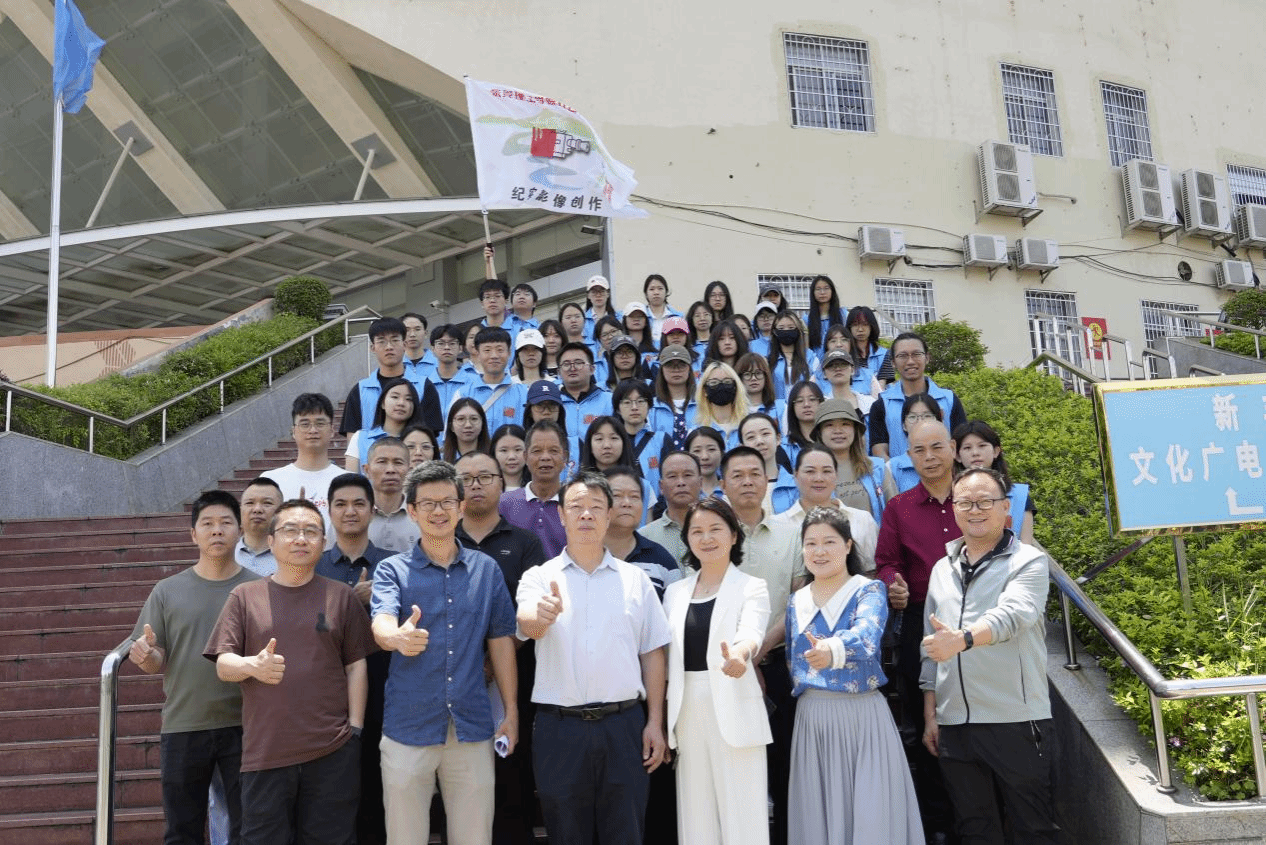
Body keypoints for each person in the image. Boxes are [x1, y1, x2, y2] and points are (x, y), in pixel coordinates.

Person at [205, 499, 374, 845]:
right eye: (290, 530)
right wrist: (252, 665)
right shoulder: (245, 596)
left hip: (332, 749)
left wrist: (355, 729)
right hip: (266, 752)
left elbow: (356, 665)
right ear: (271, 541)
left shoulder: (341, 596)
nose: (300, 539)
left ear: (323, 542)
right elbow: (223, 663)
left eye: (311, 531)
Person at [515, 471, 671, 845]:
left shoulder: (635, 580)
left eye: (596, 507)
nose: (586, 514)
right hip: (559, 729)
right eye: (576, 507)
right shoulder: (539, 577)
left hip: (624, 726)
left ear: (609, 515)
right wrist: (541, 616)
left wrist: (654, 721)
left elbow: (652, 652)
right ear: (561, 515)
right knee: (566, 833)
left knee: (626, 831)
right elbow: (526, 624)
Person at [370, 461, 519, 845]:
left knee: (474, 837)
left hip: (471, 727)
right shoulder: (392, 570)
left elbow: (501, 641)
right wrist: (396, 637)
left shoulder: (486, 570)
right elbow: (381, 621)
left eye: (447, 502)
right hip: (408, 727)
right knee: (405, 838)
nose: (438, 511)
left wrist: (511, 710)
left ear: (461, 506)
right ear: (412, 510)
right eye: (428, 503)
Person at [920, 467, 1058, 845]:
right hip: (955, 724)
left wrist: (963, 639)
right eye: (965, 502)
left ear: (1005, 508)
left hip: (1016, 720)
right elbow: (930, 646)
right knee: (974, 830)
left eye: (985, 501)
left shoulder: (1028, 561)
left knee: (1032, 830)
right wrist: (932, 713)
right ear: (953, 508)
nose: (975, 510)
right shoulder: (941, 568)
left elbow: (1014, 615)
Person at [787, 507, 923, 845]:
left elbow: (867, 635)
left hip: (860, 714)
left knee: (870, 811)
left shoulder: (868, 590)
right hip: (812, 717)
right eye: (811, 543)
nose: (819, 551)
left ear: (848, 545)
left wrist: (832, 649)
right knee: (818, 814)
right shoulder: (796, 601)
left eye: (829, 542)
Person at [130, 491, 258, 845]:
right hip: (184, 724)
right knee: (182, 830)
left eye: (226, 522)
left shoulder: (258, 589)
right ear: (193, 534)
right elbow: (154, 657)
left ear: (240, 531)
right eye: (207, 524)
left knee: (250, 829)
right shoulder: (167, 591)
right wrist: (145, 655)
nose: (217, 530)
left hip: (247, 725)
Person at [663, 497, 770, 845]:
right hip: (686, 709)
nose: (706, 538)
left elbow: (751, 631)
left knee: (744, 818)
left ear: (734, 535)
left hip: (735, 702)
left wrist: (740, 655)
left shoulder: (752, 586)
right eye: (697, 531)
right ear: (687, 539)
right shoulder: (674, 592)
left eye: (715, 529)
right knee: (696, 817)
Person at [874, 420, 961, 842]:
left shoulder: (976, 499)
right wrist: (894, 585)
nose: (929, 457)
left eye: (936, 447)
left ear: (953, 448)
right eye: (919, 450)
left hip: (974, 621)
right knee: (924, 724)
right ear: (909, 457)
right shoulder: (900, 507)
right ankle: (937, 824)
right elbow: (886, 562)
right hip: (919, 620)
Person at [453, 452, 547, 845]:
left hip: (515, 676)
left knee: (511, 775)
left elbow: (532, 611)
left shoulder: (525, 542)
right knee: (460, 781)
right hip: (454, 679)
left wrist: (494, 661)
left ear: (501, 483)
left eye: (485, 477)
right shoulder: (439, 540)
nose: (475, 484)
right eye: (466, 478)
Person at [717, 446, 805, 845]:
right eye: (737, 475)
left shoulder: (791, 534)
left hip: (780, 666)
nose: (747, 481)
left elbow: (800, 602)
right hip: (726, 669)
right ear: (722, 483)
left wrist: (756, 650)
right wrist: (741, 657)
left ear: (768, 480)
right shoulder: (712, 533)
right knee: (736, 770)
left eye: (755, 473)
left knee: (785, 769)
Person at [316, 474, 394, 845]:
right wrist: (350, 599)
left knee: (379, 797)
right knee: (329, 802)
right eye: (341, 504)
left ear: (372, 510)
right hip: (325, 703)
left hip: (386, 698)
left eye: (359, 504)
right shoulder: (313, 567)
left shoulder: (394, 565)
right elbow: (309, 627)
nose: (350, 511)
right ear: (329, 512)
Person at [773, 444, 879, 573]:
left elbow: (872, 572)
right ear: (795, 475)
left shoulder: (862, 520)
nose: (819, 478)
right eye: (810, 471)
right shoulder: (778, 525)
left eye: (827, 471)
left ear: (836, 475)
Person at [339, 316, 443, 437]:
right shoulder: (360, 391)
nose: (389, 347)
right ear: (372, 348)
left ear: (404, 345)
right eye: (381, 341)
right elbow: (352, 441)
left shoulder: (424, 386)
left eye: (394, 340)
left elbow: (430, 438)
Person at [869, 332, 967, 459]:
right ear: (893, 362)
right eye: (903, 356)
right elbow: (879, 451)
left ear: (927, 358)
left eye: (916, 354)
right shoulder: (881, 404)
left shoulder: (949, 399)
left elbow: (961, 444)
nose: (910, 361)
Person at [262, 393, 345, 542]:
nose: (313, 430)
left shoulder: (347, 481)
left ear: (332, 430)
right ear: (293, 431)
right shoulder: (270, 480)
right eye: (305, 424)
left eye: (320, 423)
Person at [952, 420, 1037, 544]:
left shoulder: (1020, 496)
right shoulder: (951, 496)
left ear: (996, 451)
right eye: (967, 448)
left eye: (982, 446)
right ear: (958, 456)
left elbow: (1026, 545)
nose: (975, 453)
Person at [603, 467, 681, 597]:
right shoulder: (584, 556)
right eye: (616, 495)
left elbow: (675, 607)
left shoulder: (661, 559)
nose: (627, 503)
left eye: (634, 496)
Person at [812, 399, 893, 522]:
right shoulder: (811, 476)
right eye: (829, 425)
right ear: (819, 433)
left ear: (855, 430)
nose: (838, 431)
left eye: (845, 424)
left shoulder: (877, 468)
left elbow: (896, 513)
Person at [499, 421, 569, 558]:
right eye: (537, 451)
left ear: (564, 457)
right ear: (525, 457)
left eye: (553, 451)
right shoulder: (504, 504)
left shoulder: (576, 505)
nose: (545, 457)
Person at [344, 377, 423, 471]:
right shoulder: (360, 438)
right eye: (395, 397)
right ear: (383, 403)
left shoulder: (420, 442)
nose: (401, 403)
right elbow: (350, 477)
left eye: (408, 399)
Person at [640, 450, 703, 567]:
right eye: (672, 476)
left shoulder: (720, 529)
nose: (681, 482)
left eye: (687, 475)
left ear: (701, 482)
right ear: (661, 487)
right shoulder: (645, 537)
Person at [461, 326, 528, 429]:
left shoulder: (524, 393)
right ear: (478, 354)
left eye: (500, 350)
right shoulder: (463, 394)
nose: (494, 356)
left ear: (509, 353)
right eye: (487, 350)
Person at [365, 437, 419, 555]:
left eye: (398, 463)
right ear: (367, 470)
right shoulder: (355, 516)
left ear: (409, 470)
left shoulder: (422, 516)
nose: (390, 470)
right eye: (382, 462)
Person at [613, 379, 666, 496]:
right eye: (627, 402)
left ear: (649, 406)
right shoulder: (612, 442)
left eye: (640, 401)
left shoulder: (662, 440)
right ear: (618, 409)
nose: (634, 407)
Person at [738, 412, 797, 515]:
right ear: (742, 447)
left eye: (765, 434)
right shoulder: (736, 489)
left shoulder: (797, 485)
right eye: (751, 437)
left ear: (778, 439)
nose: (760, 441)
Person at [886, 394, 945, 494]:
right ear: (904, 425)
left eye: (927, 416)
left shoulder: (952, 461)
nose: (920, 422)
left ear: (940, 422)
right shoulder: (892, 468)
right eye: (912, 417)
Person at [557, 341, 614, 436]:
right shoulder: (553, 403)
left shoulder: (609, 401)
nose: (572, 368)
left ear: (592, 369)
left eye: (578, 363)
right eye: (566, 364)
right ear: (559, 372)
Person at [648, 344, 697, 451]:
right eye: (670, 365)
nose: (676, 370)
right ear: (661, 370)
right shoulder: (652, 407)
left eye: (682, 365)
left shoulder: (702, 404)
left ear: (689, 369)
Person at [767, 311, 818, 402]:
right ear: (774, 331)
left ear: (798, 330)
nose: (786, 331)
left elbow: (818, 383)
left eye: (791, 327)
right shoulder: (768, 361)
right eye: (781, 328)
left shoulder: (810, 357)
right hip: (778, 409)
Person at [237, 477, 282, 576]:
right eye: (250, 503)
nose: (257, 509)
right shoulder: (225, 554)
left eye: (267, 503)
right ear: (240, 510)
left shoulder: (292, 557)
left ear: (281, 511)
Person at [695, 361, 750, 443]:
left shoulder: (749, 425)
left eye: (727, 382)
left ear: (735, 387)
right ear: (705, 390)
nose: (721, 386)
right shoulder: (697, 431)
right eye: (714, 383)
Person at [426, 324, 472, 412]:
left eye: (452, 343)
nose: (447, 347)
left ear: (460, 348)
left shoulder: (472, 382)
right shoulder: (425, 384)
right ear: (433, 349)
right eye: (441, 343)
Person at [845, 306, 894, 389]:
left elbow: (881, 386)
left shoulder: (884, 354)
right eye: (855, 325)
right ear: (849, 328)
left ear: (872, 326)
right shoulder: (845, 355)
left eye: (865, 324)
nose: (860, 329)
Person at [805, 274, 850, 354]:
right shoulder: (807, 319)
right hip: (816, 361)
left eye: (826, 288)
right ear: (813, 293)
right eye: (818, 289)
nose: (822, 292)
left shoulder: (844, 315)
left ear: (832, 291)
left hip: (840, 359)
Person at [784, 380, 824, 467]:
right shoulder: (785, 446)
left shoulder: (830, 439)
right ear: (792, 407)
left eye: (812, 399)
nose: (806, 405)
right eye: (800, 401)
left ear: (821, 402)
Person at [736, 352, 785, 423]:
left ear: (766, 376)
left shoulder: (780, 408)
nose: (753, 378)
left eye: (758, 373)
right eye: (747, 374)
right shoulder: (734, 411)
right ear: (740, 378)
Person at [441, 398, 491, 464]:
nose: (468, 425)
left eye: (474, 419)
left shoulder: (493, 458)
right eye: (461, 419)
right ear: (451, 426)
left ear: (482, 424)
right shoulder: (441, 461)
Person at [686, 426, 726, 499]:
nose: (705, 457)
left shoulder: (730, 490)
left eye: (711, 449)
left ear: (722, 453)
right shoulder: (684, 492)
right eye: (697, 451)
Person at [479, 277, 521, 343]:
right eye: (487, 297)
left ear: (506, 301)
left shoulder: (520, 329)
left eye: (497, 296)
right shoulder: (477, 331)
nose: (492, 300)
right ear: (482, 303)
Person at [643, 274, 681, 343]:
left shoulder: (677, 317)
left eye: (660, 288)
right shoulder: (641, 316)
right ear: (646, 293)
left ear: (666, 292)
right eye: (652, 289)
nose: (656, 292)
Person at [491, 424, 528, 491]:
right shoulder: (486, 488)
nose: (511, 457)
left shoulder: (537, 488)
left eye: (517, 450)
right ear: (494, 453)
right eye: (504, 450)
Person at [583, 275, 621, 341]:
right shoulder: (582, 320)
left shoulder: (620, 317)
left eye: (602, 291)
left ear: (608, 294)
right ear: (588, 295)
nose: (598, 295)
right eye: (594, 292)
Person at [402, 312, 434, 378]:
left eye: (417, 329)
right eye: (407, 330)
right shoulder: (394, 364)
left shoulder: (439, 362)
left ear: (425, 333)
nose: (412, 334)